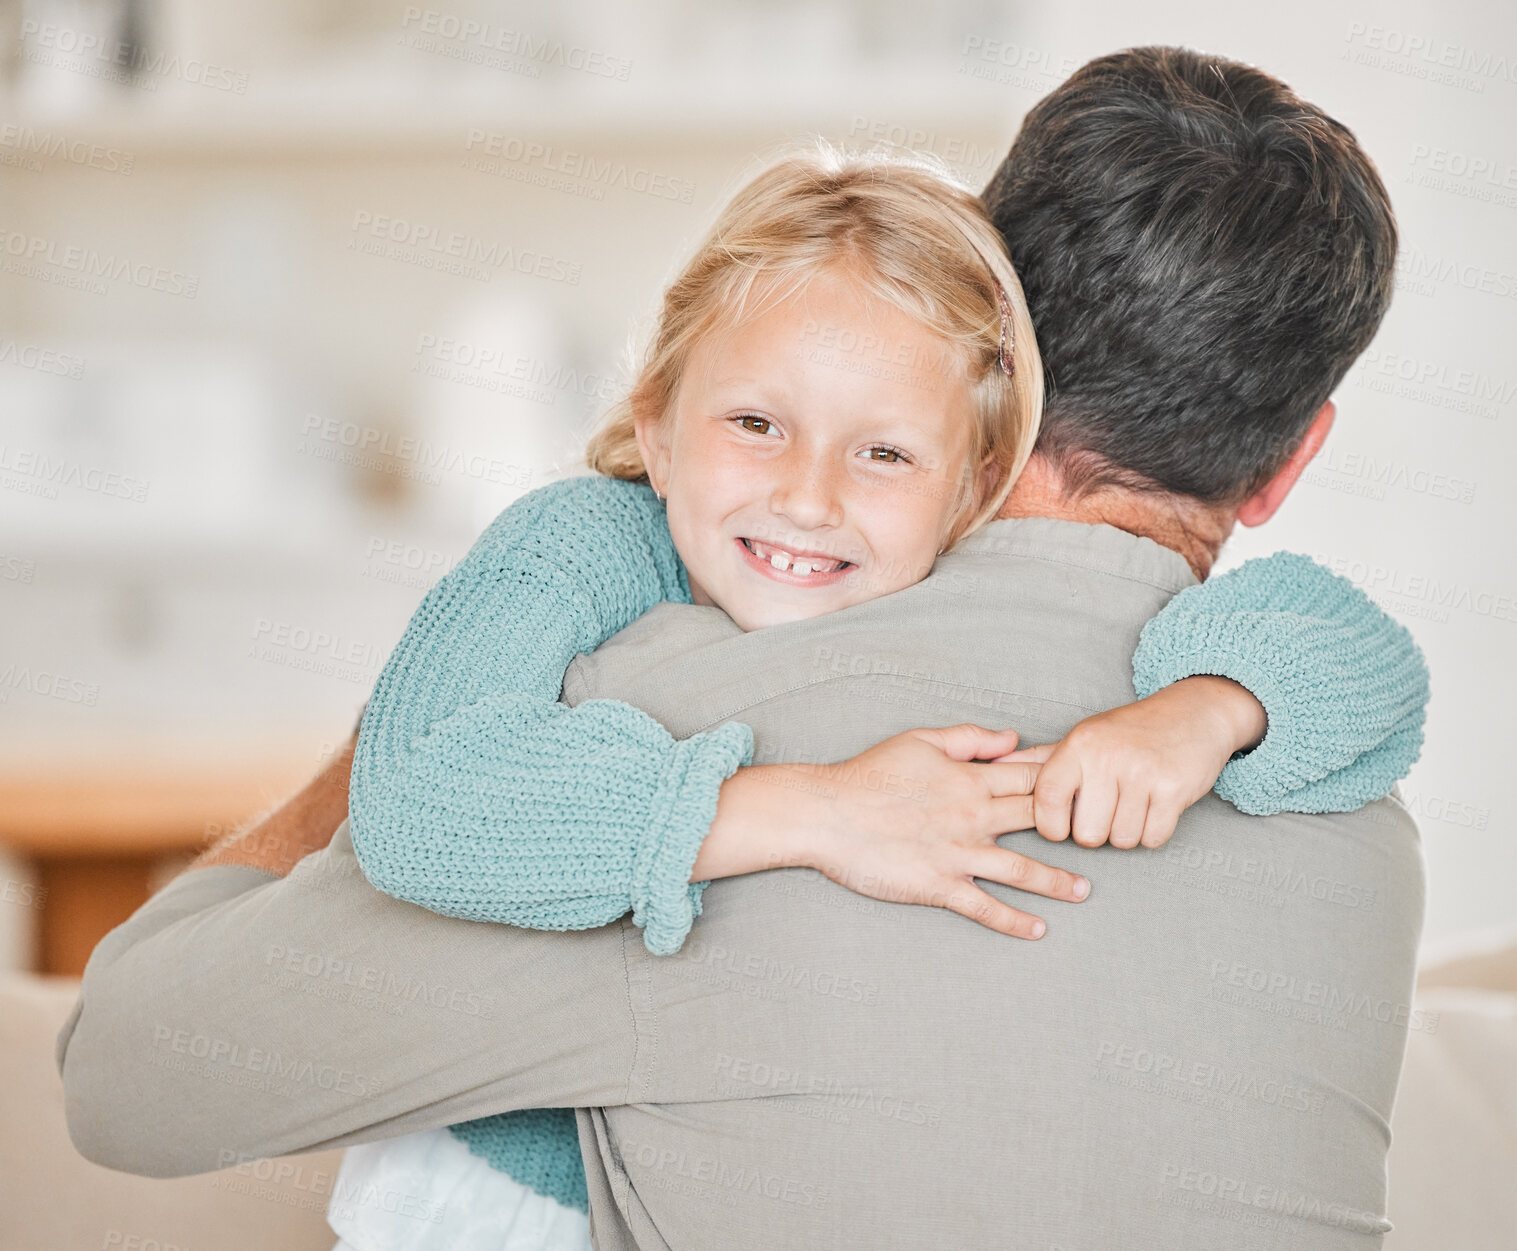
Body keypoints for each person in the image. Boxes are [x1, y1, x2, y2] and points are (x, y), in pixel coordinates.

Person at [58, 47, 1426, 1250]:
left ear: (988, 353)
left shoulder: (672, 716)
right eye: (758, 425)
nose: (809, 495)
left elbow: (132, 1073)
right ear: (1289, 460)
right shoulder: (1355, 820)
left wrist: (423, 724)